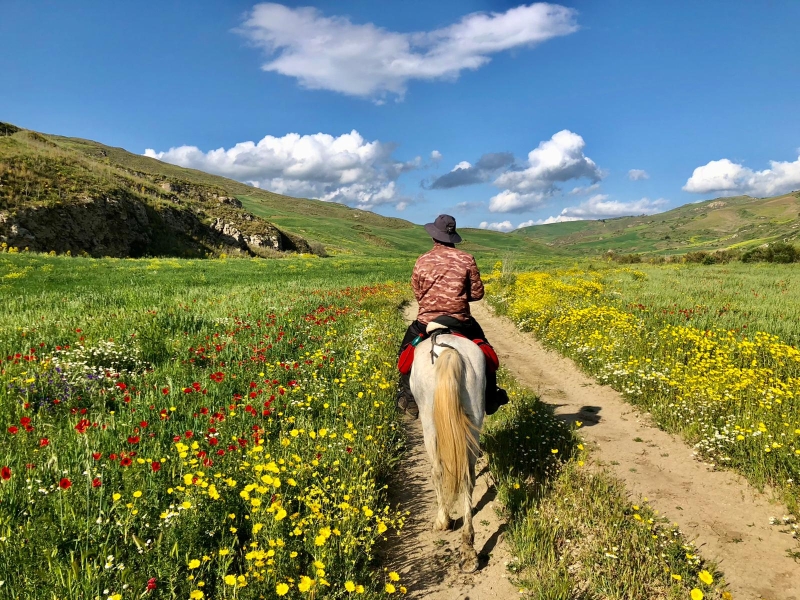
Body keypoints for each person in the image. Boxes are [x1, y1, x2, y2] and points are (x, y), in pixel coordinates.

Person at [397, 214, 509, 418]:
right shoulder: (466, 259)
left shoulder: (422, 260)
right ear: (453, 236)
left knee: (406, 349)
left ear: (434, 236)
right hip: (461, 322)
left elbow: (417, 292)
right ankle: (491, 395)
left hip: (426, 322)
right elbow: (477, 294)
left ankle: (407, 398)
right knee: (484, 348)